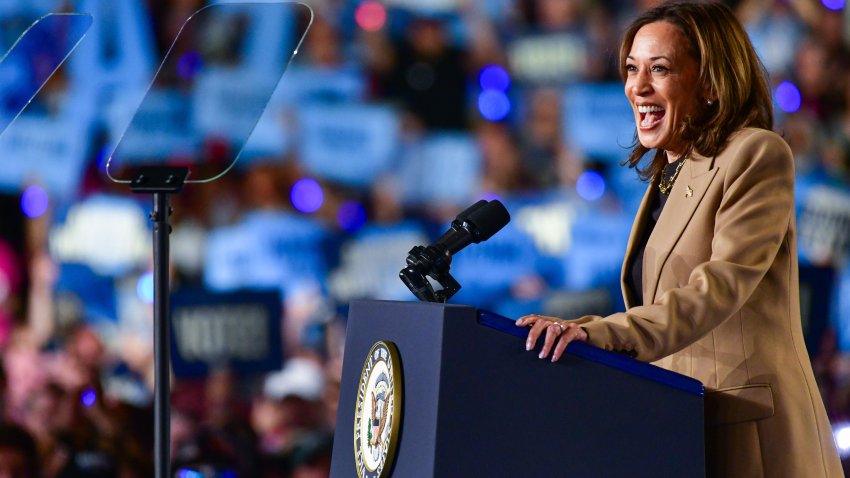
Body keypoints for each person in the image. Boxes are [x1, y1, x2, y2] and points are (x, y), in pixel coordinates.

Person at [515, 2, 843, 476]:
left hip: (749, 436)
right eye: (632, 69)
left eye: (660, 69)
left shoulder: (756, 154)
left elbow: (716, 289)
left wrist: (596, 334)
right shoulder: (665, 177)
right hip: (684, 430)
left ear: (710, 82)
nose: (637, 87)